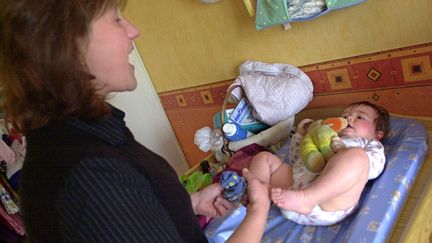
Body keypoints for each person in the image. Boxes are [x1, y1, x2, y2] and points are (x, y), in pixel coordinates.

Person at [0, 0, 270, 242]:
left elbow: (124, 219)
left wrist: (187, 204)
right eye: (116, 19)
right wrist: (258, 212)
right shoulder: (86, 177)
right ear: (64, 45)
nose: (133, 31)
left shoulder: (81, 138)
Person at [248, 101, 390, 226]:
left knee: (358, 157)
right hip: (293, 186)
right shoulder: (326, 134)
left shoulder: (370, 144)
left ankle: (307, 198)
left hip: (329, 201)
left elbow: (372, 168)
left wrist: (344, 152)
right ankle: (259, 199)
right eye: (345, 115)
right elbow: (297, 159)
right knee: (264, 158)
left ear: (378, 133)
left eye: (360, 117)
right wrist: (301, 136)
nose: (349, 118)